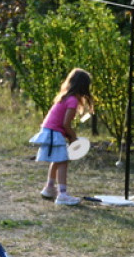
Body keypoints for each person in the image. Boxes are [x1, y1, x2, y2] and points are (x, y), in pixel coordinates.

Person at [29, 68, 94, 206]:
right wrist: (73, 137)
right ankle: (62, 195)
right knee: (63, 161)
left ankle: (49, 188)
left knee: (57, 160)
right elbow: (65, 123)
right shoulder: (72, 101)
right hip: (54, 132)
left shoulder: (64, 97)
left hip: (50, 131)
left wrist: (70, 136)